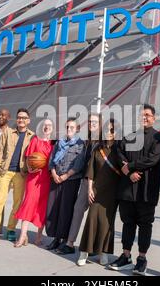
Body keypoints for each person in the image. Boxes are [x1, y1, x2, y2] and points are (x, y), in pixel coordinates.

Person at [108, 104, 160, 276]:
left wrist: (131, 168)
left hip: (146, 190)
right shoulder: (130, 137)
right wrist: (128, 171)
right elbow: (118, 151)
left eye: (148, 115)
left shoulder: (158, 138)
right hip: (128, 189)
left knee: (145, 224)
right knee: (127, 223)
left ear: (154, 118)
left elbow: (153, 159)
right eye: (142, 115)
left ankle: (141, 259)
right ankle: (126, 256)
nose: (145, 118)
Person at [0, 109, 35, 243]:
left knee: (17, 203)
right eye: (19, 117)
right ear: (16, 119)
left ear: (28, 120)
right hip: (5, 171)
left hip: (21, 173)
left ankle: (11, 229)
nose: (21, 120)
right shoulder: (7, 132)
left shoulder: (32, 136)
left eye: (24, 118)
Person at [77, 119, 121, 266]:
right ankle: (84, 252)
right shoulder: (97, 149)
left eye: (112, 130)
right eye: (107, 130)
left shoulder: (119, 149)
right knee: (92, 220)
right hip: (96, 190)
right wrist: (90, 188)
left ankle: (104, 253)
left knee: (107, 223)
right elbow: (91, 171)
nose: (109, 133)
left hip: (113, 192)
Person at [56, 113, 102, 255]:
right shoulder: (86, 142)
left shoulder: (104, 141)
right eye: (89, 121)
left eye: (94, 122)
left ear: (100, 124)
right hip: (86, 180)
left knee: (96, 215)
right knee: (78, 209)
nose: (91, 124)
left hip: (101, 183)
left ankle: (95, 247)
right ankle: (70, 243)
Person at [45, 118, 86, 251]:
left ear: (78, 129)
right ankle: (55, 238)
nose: (69, 130)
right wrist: (54, 174)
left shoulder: (80, 145)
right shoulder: (59, 142)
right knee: (53, 208)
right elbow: (51, 159)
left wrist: (65, 176)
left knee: (65, 210)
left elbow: (79, 164)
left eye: (72, 127)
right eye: (67, 127)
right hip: (56, 179)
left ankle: (63, 238)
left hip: (70, 181)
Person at [14, 119, 54, 248]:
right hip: (34, 177)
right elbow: (28, 157)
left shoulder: (54, 144)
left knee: (42, 207)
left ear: (52, 129)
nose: (46, 127)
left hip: (46, 179)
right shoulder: (35, 140)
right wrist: (29, 168)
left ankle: (38, 237)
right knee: (28, 204)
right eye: (44, 125)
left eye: (49, 125)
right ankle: (22, 236)